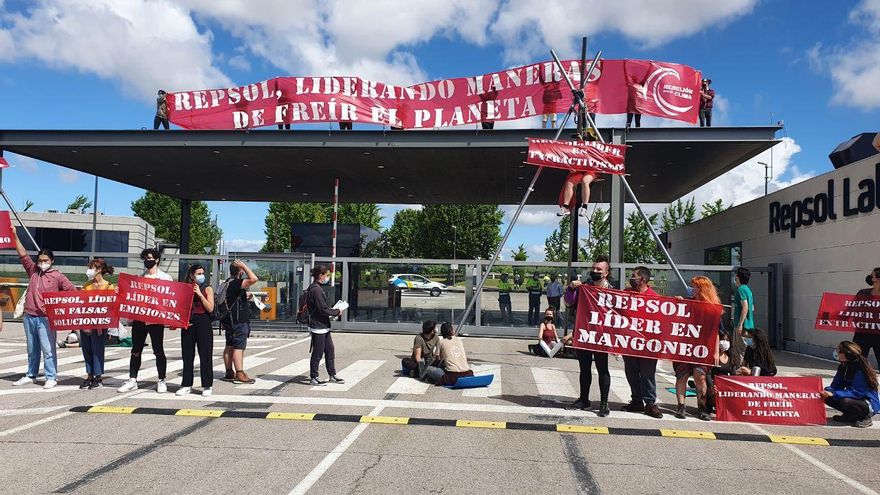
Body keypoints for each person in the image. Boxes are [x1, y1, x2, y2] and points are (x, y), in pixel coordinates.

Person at [11, 229, 75, 389]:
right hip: (29, 316)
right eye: (40, 260)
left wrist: (60, 308)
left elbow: (73, 292)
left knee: (48, 349)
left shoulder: (58, 276)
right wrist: (15, 236)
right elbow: (23, 254)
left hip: (46, 318)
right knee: (32, 349)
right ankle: (31, 374)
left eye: (45, 260)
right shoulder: (33, 271)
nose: (42, 263)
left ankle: (51, 376)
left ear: (52, 260)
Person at [118, 248, 173, 393]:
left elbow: (170, 299)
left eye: (149, 258)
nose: (147, 260)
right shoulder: (139, 278)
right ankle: (132, 379)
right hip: (140, 319)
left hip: (155, 321)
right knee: (136, 350)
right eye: (145, 258)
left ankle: (161, 379)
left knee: (158, 350)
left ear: (156, 260)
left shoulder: (166, 278)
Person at [565, 256, 613, 417]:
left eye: (599, 269)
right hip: (585, 334)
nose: (595, 271)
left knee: (602, 369)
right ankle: (584, 399)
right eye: (593, 268)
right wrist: (571, 288)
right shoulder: (584, 288)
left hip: (602, 336)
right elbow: (568, 302)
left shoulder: (612, 291)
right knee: (584, 368)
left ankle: (604, 403)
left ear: (606, 273)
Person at [672, 276, 722, 421]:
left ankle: (702, 408)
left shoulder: (713, 309)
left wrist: (716, 352)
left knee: (700, 377)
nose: (691, 289)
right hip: (684, 346)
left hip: (703, 348)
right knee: (682, 376)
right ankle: (681, 407)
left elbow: (716, 332)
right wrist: (678, 304)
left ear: (703, 290)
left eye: (695, 287)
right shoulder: (686, 303)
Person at [622, 266, 663, 418]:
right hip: (629, 343)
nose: (631, 279)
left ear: (642, 279)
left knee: (647, 374)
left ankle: (650, 403)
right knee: (631, 372)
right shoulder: (626, 294)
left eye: (634, 276)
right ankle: (636, 400)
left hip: (648, 345)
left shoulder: (655, 298)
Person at [177, 264, 215, 397]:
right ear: (192, 275)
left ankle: (207, 385)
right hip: (189, 322)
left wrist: (199, 294)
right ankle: (186, 384)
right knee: (187, 355)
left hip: (203, 321)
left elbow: (210, 308)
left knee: (205, 353)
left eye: (202, 273)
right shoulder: (185, 288)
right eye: (198, 273)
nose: (201, 276)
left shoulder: (207, 288)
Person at [822, 341, 879, 428]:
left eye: (839, 351)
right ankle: (851, 416)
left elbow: (858, 392)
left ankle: (865, 417)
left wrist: (835, 393)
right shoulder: (843, 367)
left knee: (846, 401)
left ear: (844, 354)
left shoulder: (860, 369)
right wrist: (826, 391)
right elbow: (836, 385)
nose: (836, 353)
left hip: (868, 403)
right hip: (855, 398)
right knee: (827, 397)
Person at [305, 265, 344, 386]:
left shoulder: (318, 288)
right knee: (318, 352)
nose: (327, 277)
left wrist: (333, 310)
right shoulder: (315, 289)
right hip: (318, 326)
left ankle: (332, 374)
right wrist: (337, 311)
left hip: (323, 325)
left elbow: (323, 308)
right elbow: (322, 309)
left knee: (330, 350)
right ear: (320, 276)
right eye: (326, 275)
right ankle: (314, 377)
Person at [221, 259, 259, 385]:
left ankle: (229, 372)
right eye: (242, 270)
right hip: (238, 321)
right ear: (240, 271)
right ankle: (240, 373)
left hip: (229, 320)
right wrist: (244, 266)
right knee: (239, 347)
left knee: (229, 345)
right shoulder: (236, 283)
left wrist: (244, 297)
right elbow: (254, 279)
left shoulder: (227, 283)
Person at [80, 258, 114, 390]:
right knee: (86, 348)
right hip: (86, 321)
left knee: (97, 349)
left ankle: (98, 376)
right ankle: (89, 375)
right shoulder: (87, 286)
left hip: (100, 323)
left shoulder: (109, 286)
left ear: (99, 269)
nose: (89, 270)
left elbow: (111, 305)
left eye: (92, 267)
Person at [853, 268, 880, 362]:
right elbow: (851, 308)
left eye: (872, 275)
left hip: (879, 333)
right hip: (862, 333)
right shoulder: (863, 293)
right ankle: (858, 377)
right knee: (857, 361)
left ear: (878, 279)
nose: (869, 277)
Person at [706, 331, 735, 414]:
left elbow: (733, 375)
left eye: (727, 340)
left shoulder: (731, 358)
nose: (725, 342)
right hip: (714, 385)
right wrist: (711, 385)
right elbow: (708, 373)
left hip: (726, 387)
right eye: (722, 339)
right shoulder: (714, 357)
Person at [732, 267, 754, 367]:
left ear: (738, 277)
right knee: (746, 349)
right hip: (750, 325)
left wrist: (740, 324)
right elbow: (752, 307)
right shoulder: (748, 290)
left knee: (740, 350)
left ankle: (740, 372)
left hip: (742, 326)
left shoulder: (740, 289)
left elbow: (745, 307)